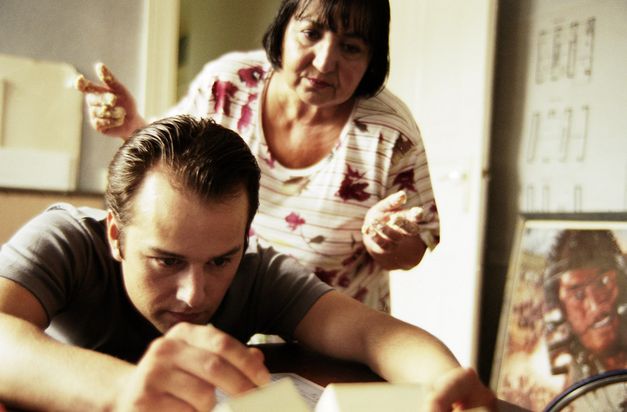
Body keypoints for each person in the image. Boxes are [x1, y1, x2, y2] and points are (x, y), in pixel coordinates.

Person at [0, 116, 494, 411]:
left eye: (220, 260)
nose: (195, 294)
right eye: (165, 260)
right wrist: (127, 392)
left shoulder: (257, 268)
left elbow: (372, 333)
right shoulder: (65, 238)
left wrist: (445, 386)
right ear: (115, 235)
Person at [76, 0, 440, 312]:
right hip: (217, 320)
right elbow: (171, 168)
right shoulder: (229, 85)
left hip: (331, 335)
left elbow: (412, 249)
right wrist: (132, 125)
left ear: (372, 59)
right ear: (282, 29)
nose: (326, 61)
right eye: (312, 33)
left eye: (351, 47)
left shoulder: (391, 133)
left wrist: (387, 241)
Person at [543, 229, 627, 386]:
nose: (595, 306)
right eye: (578, 295)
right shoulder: (572, 378)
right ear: (562, 310)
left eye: (603, 282)